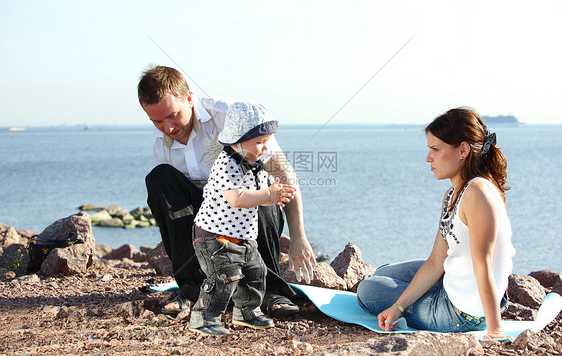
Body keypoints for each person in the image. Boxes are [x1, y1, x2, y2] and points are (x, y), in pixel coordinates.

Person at [137, 65, 316, 318]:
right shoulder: (162, 146)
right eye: (157, 121)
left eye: (173, 115)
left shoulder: (229, 114)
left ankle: (271, 291)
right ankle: (193, 290)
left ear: (189, 98)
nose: (168, 128)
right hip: (207, 221)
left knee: (258, 181)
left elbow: (283, 175)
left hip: (252, 205)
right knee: (159, 178)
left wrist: (298, 237)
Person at [356, 107, 516, 340]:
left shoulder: (478, 193)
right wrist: (398, 307)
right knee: (383, 272)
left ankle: (474, 315)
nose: (428, 158)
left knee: (367, 290)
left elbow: (484, 264)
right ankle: (424, 295)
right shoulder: (453, 194)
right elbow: (436, 261)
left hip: (464, 314)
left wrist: (495, 330)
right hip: (459, 284)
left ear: (463, 150)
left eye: (435, 149)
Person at [188, 102, 297, 336]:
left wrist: (273, 197)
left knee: (256, 274)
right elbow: (237, 198)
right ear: (237, 140)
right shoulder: (226, 164)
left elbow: (256, 196)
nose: (264, 147)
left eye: (266, 141)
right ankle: (203, 317)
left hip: (243, 238)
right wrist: (268, 194)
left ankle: (246, 312)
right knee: (222, 279)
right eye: (259, 142)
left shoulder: (255, 164)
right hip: (215, 238)